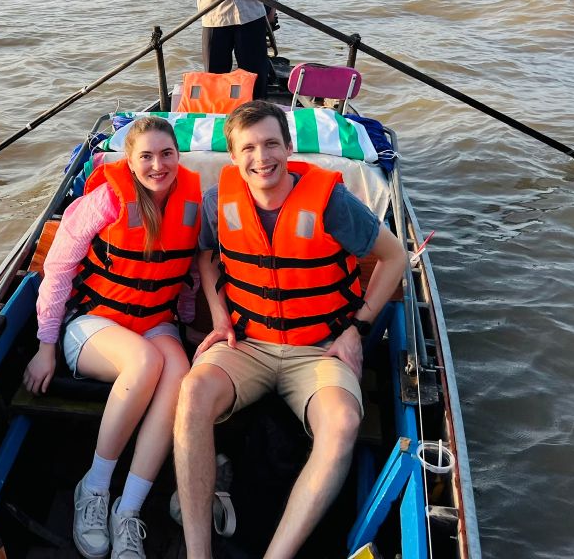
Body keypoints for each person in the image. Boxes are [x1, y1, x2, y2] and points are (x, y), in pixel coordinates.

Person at [173, 101, 408, 559]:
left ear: (288, 145)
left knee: (341, 423)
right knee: (192, 394)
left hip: (319, 350)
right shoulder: (218, 201)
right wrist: (219, 317)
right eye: (249, 148)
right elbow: (206, 255)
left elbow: (395, 256)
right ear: (234, 156)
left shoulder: (332, 202)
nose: (262, 158)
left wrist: (356, 330)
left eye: (271, 144)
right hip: (247, 344)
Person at [24, 116, 201, 559]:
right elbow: (58, 271)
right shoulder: (104, 200)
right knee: (145, 362)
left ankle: (129, 511)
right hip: (92, 323)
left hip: (155, 322)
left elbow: (187, 275)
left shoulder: (194, 204)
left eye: (167, 155)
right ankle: (95, 488)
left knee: (179, 372)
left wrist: (190, 324)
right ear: (130, 159)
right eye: (146, 156)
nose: (158, 166)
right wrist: (46, 348)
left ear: (178, 156)